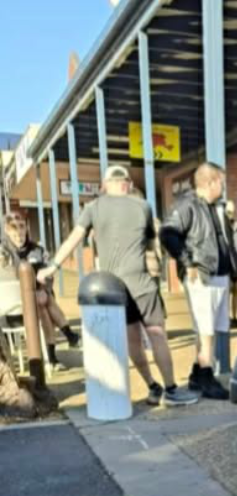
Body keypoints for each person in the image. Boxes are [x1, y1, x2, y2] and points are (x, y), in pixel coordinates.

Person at [47, 164, 201, 406]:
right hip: (142, 285)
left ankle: (152, 386)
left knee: (132, 341)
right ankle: (171, 390)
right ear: (128, 184)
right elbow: (152, 246)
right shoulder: (143, 207)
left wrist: (52, 266)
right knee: (158, 335)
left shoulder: (93, 207)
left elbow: (73, 239)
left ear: (105, 185)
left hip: (113, 289)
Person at [165, 161, 237, 395]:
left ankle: (198, 373)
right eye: (221, 181)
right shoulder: (187, 205)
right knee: (205, 329)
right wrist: (187, 262)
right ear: (210, 182)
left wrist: (233, 268)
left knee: (211, 329)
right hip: (203, 276)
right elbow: (168, 234)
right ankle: (206, 376)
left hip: (219, 275)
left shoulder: (214, 207)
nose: (223, 186)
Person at [4, 212, 81, 360]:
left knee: (43, 303)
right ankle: (66, 338)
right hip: (15, 310)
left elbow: (49, 274)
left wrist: (43, 289)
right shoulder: (5, 253)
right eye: (15, 232)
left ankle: (54, 354)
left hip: (41, 301)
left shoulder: (37, 249)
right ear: (7, 232)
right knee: (41, 303)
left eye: (22, 229)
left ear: (26, 229)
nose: (19, 235)